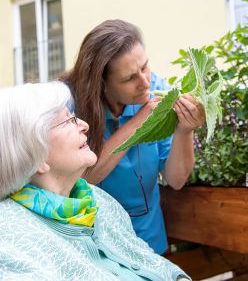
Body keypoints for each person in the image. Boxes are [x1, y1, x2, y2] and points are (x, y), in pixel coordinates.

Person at [0, 81, 191, 281]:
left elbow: (144, 257)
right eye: (67, 121)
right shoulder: (10, 235)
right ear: (35, 155)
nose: (84, 125)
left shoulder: (96, 199)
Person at [60, 19, 205, 255]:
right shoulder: (70, 107)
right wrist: (139, 122)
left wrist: (184, 130)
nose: (145, 82)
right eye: (129, 78)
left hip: (149, 242)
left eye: (145, 67)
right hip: (98, 249)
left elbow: (176, 180)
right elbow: (86, 177)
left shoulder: (158, 88)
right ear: (101, 84)